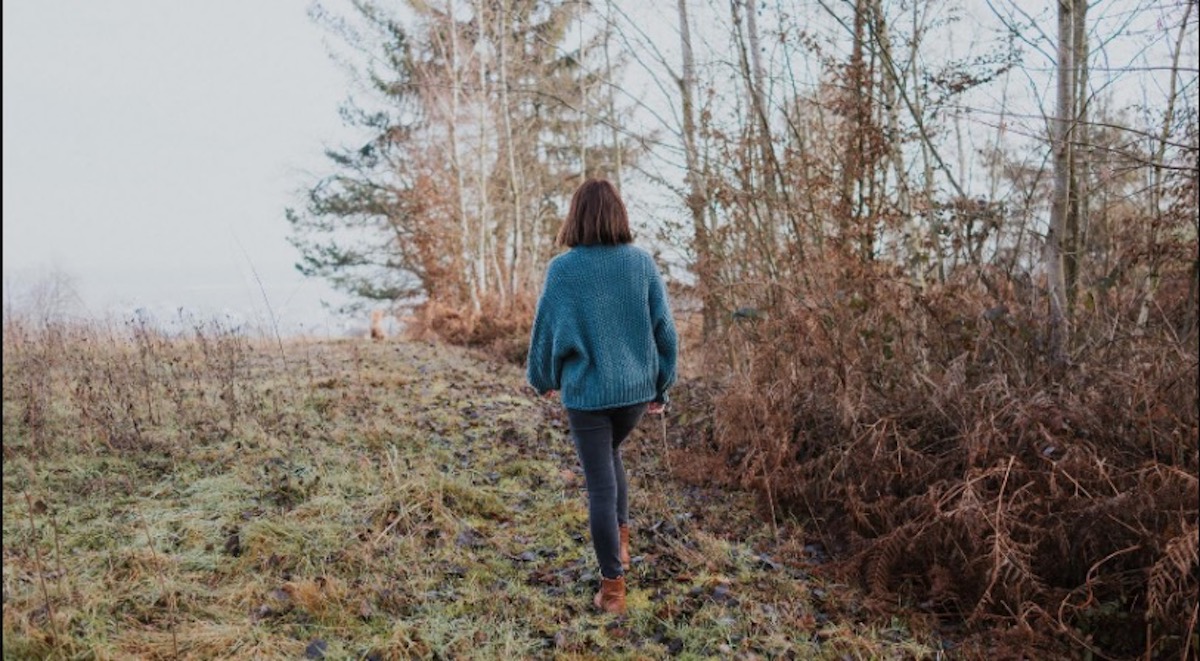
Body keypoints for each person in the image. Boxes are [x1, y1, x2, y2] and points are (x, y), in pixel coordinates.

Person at [527, 178, 678, 615]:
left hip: (588, 393)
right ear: (619, 214)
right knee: (609, 458)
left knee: (599, 484)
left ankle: (612, 588)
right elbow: (665, 332)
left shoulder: (563, 269)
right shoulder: (642, 264)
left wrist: (544, 377)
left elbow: (545, 333)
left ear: (575, 216)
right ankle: (623, 541)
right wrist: (662, 385)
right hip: (634, 393)